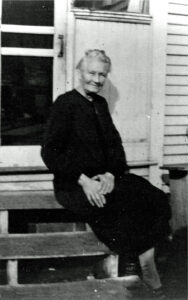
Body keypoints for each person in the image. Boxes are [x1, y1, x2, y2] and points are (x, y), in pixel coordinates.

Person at [41, 49, 171, 299]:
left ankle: (141, 263)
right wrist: (83, 180)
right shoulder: (65, 104)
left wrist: (111, 173)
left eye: (102, 75)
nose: (97, 80)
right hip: (74, 183)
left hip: (103, 179)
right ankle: (134, 273)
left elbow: (114, 145)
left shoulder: (99, 104)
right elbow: (51, 152)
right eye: (92, 73)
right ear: (80, 72)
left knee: (152, 196)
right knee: (121, 208)